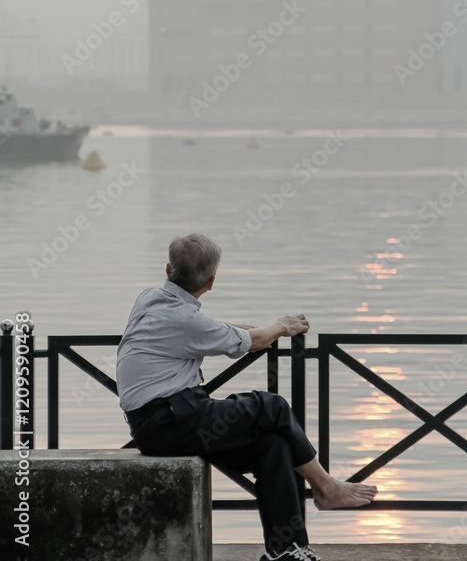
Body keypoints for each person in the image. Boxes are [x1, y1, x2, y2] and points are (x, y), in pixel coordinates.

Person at [116, 233, 377, 561]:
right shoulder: (187, 321)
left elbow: (211, 328)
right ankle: (326, 488)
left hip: (167, 421)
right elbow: (246, 340)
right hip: (170, 421)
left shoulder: (150, 298)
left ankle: (288, 551)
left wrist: (254, 330)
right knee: (274, 406)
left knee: (273, 446)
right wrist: (279, 327)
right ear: (211, 282)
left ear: (168, 269)